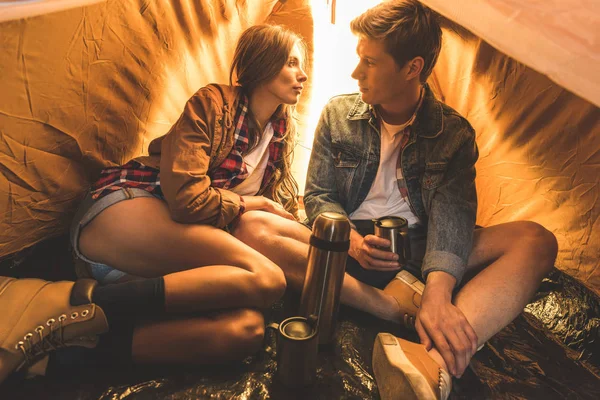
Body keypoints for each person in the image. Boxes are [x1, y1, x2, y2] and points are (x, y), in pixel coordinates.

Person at [232, 1, 557, 399]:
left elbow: (453, 219)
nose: (356, 73)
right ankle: (398, 309)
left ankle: (429, 359)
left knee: (535, 240)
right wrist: (352, 240)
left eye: (370, 62)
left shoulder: (453, 134)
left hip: (422, 254)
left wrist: (439, 288)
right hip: (349, 254)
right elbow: (318, 196)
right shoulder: (338, 114)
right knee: (251, 226)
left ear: (412, 67)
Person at [0, 24, 308, 384]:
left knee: (245, 329)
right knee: (268, 279)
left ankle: (54, 359)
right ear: (264, 63)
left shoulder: (281, 133)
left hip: (164, 260)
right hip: (130, 205)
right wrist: (244, 203)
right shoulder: (214, 103)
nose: (302, 75)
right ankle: (58, 306)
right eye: (291, 63)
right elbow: (186, 201)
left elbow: (274, 207)